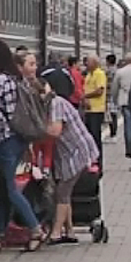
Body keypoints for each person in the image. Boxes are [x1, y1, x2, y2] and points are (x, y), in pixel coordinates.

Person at [0, 40, 47, 252]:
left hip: (4, 141)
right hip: (18, 139)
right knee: (4, 189)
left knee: (9, 190)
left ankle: (35, 228)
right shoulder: (12, 79)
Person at [45, 92, 99, 244]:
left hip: (77, 152)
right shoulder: (58, 102)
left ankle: (56, 232)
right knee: (64, 192)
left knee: (62, 191)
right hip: (70, 153)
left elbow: (55, 130)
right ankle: (69, 230)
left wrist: (35, 128)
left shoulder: (56, 104)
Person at [83, 55, 107, 171]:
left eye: (88, 62)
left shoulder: (99, 74)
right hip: (89, 110)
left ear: (94, 63)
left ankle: (98, 162)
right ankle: (92, 160)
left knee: (95, 137)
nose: (86, 64)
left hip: (97, 110)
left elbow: (100, 91)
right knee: (89, 137)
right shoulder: (88, 75)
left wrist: (85, 96)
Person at [112, 53, 131, 157]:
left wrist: (115, 100)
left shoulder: (120, 72)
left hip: (125, 101)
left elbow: (115, 88)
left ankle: (129, 149)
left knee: (128, 125)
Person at [104, 54, 119, 141]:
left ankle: (113, 133)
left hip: (109, 95)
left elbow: (107, 84)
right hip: (115, 95)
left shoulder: (108, 72)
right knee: (114, 115)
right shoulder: (117, 70)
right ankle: (114, 133)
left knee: (111, 116)